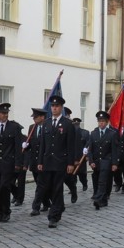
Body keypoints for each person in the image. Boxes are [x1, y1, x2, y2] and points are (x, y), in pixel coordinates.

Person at [37, 95, 78, 228]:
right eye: (53, 106)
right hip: (47, 161)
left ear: (61, 108)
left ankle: (53, 216)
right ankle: (59, 206)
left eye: (57, 106)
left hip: (61, 162)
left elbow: (70, 145)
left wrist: (71, 163)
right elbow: (42, 144)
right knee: (47, 188)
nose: (54, 108)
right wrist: (40, 161)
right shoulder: (47, 123)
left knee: (57, 188)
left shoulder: (68, 124)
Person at [0, 103, 25, 223]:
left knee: (4, 187)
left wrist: (18, 163)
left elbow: (17, 147)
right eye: (2, 113)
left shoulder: (14, 127)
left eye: (6, 113)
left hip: (8, 163)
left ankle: (6, 211)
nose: (5, 115)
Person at [85, 111, 118, 209]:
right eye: (99, 121)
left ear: (107, 122)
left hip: (106, 161)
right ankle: (103, 200)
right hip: (96, 161)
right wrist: (91, 161)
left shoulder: (112, 134)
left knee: (102, 181)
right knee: (96, 180)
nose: (101, 123)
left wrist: (114, 163)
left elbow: (114, 150)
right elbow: (90, 149)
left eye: (103, 121)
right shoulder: (93, 133)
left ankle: (98, 199)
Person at [25, 108, 51, 216]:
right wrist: (26, 146)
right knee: (40, 184)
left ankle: (35, 207)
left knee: (40, 185)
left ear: (42, 117)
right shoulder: (32, 128)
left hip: (44, 162)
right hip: (34, 161)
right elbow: (31, 143)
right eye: (33, 117)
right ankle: (46, 203)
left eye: (36, 117)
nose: (34, 119)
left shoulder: (48, 127)